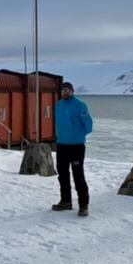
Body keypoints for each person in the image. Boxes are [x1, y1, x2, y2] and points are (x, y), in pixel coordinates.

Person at [52, 82, 94, 217]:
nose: (65, 92)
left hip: (76, 146)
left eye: (68, 90)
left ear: (72, 91)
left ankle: (83, 205)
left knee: (78, 175)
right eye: (63, 90)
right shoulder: (58, 106)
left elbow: (88, 126)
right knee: (62, 175)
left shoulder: (80, 105)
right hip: (61, 145)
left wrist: (78, 135)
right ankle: (66, 201)